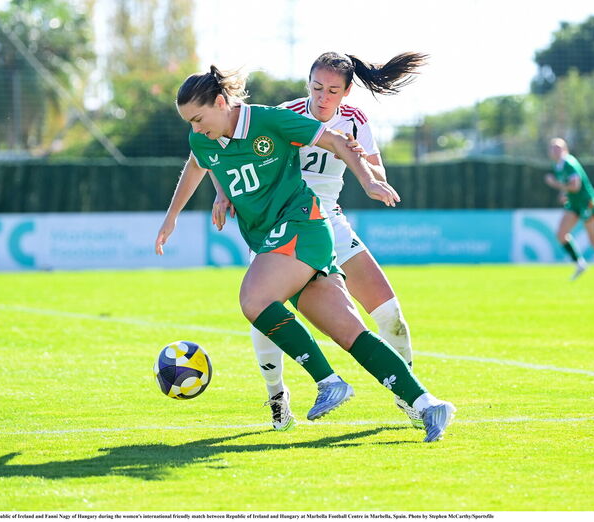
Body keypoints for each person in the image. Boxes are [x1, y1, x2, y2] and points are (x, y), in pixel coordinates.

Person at [155, 66, 456, 442]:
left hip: (303, 222)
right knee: (349, 332)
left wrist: (368, 181)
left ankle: (327, 381)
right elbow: (200, 163)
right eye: (189, 122)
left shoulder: (270, 120)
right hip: (274, 239)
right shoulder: (203, 138)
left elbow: (337, 141)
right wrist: (174, 218)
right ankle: (429, 405)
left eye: (198, 119)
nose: (195, 129)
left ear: (220, 102)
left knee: (254, 298)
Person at [211, 51, 427, 432]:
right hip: (281, 223)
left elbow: (376, 170)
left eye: (331, 91)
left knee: (390, 313)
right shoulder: (286, 113)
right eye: (315, 87)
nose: (322, 97)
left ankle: (408, 395)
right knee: (263, 312)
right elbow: (219, 148)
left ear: (345, 93)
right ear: (306, 85)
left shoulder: (356, 121)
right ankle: (277, 397)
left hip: (331, 221)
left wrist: (363, 162)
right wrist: (221, 193)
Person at [544, 138, 594, 280]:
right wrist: (564, 194)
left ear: (565, 149)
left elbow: (575, 186)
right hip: (574, 204)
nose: (555, 150)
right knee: (561, 235)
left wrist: (555, 184)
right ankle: (579, 263)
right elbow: (568, 186)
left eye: (558, 147)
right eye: (553, 148)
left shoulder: (569, 163)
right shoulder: (557, 165)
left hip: (587, 203)